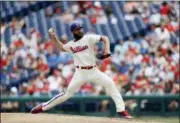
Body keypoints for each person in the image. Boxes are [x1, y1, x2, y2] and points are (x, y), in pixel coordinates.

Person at [30, 22, 132, 119]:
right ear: (73, 32)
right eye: (77, 29)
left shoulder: (89, 38)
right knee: (67, 94)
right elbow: (61, 48)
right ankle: (44, 107)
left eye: (80, 28)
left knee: (110, 83)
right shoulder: (71, 45)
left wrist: (107, 50)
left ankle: (121, 110)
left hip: (93, 71)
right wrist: (54, 37)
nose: (80, 30)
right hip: (80, 73)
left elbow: (105, 38)